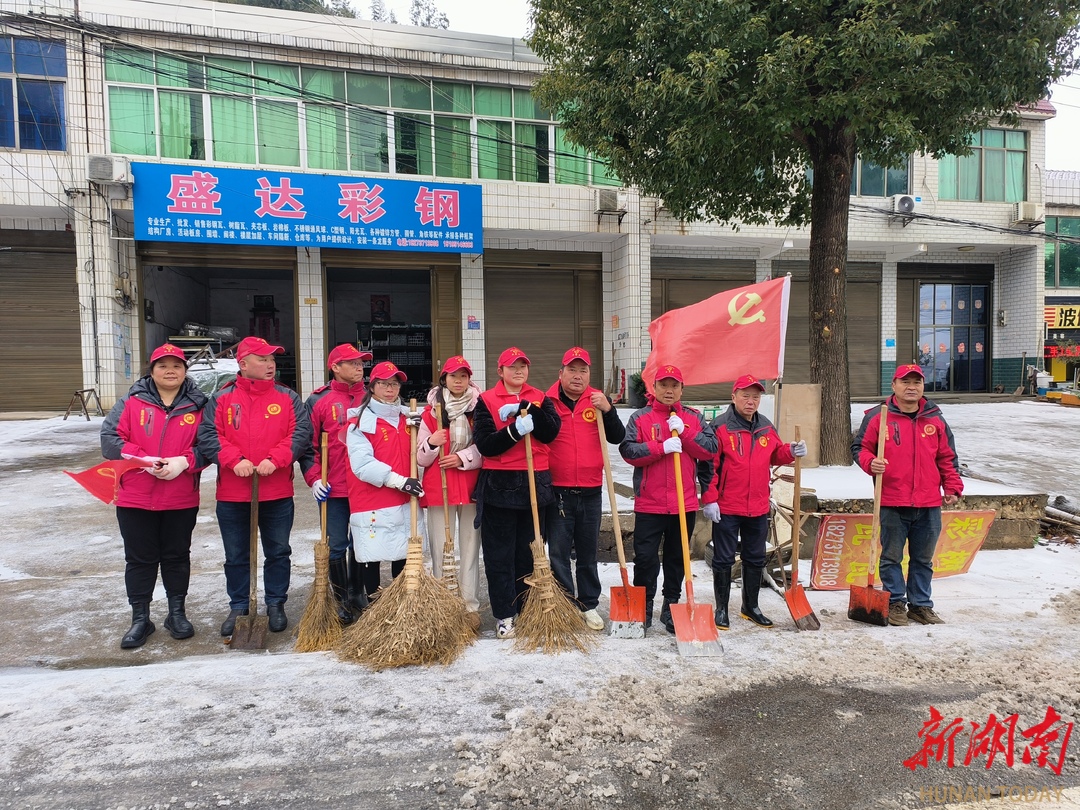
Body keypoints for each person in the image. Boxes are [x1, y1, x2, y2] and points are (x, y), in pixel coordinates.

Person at [197, 336, 312, 636]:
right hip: (233, 492)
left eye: (272, 359)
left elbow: (300, 432)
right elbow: (208, 435)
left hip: (276, 491)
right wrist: (234, 460)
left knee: (278, 551)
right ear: (243, 363)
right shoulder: (222, 398)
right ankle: (239, 605)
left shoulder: (288, 397)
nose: (270, 364)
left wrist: (277, 459)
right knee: (236, 555)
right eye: (262, 359)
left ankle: (276, 602)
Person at [101, 343, 207, 649]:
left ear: (185, 371)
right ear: (152, 370)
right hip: (135, 496)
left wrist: (184, 461)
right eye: (163, 365)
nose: (170, 371)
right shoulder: (131, 402)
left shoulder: (199, 405)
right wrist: (141, 459)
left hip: (180, 496)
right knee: (139, 559)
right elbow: (109, 440)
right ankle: (140, 618)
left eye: (177, 365)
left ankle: (177, 614)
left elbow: (209, 444)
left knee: (177, 556)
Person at [851, 363, 963, 626]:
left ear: (923, 386)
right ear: (894, 385)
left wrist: (952, 486)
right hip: (892, 501)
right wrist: (870, 463)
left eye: (917, 382)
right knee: (891, 557)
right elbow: (859, 448)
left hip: (928, 503)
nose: (911, 387)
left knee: (923, 559)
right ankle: (894, 602)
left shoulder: (935, 419)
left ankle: (920, 605)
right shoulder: (878, 416)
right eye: (905, 382)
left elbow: (947, 457)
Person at [700, 375, 805, 630]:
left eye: (755, 397)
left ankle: (751, 606)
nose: (751, 401)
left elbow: (775, 454)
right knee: (724, 559)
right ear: (733, 397)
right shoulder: (720, 426)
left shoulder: (765, 426)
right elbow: (709, 467)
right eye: (745, 396)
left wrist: (791, 451)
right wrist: (710, 499)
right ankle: (722, 609)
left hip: (757, 505)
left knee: (755, 557)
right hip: (727, 505)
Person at [618, 365, 716, 633]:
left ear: (682, 389)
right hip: (650, 504)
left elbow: (710, 449)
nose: (669, 390)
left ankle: (671, 606)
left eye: (674, 385)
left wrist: (685, 433)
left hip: (683, 503)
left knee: (677, 559)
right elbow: (628, 451)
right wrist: (660, 447)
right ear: (654, 388)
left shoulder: (693, 418)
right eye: (663, 385)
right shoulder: (640, 418)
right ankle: (643, 605)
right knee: (645, 559)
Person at [472, 347, 561, 639]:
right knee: (499, 555)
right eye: (512, 366)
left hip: (536, 483)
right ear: (500, 371)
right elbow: (486, 444)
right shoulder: (486, 400)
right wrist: (514, 431)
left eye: (523, 366)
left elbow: (550, 432)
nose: (518, 371)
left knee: (529, 554)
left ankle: (526, 609)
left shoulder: (540, 397)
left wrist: (528, 408)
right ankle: (504, 614)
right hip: (500, 485)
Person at [544, 347, 626, 631]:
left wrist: (609, 410)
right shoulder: (547, 402)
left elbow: (618, 437)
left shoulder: (597, 401)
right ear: (561, 373)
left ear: (589, 374)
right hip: (558, 491)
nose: (577, 376)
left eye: (583, 370)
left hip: (591, 490)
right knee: (558, 553)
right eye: (572, 370)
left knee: (588, 553)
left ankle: (589, 604)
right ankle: (565, 604)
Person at [301, 343, 373, 625]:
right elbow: (308, 446)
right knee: (337, 543)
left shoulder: (372, 396)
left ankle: (358, 592)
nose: (359, 367)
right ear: (335, 367)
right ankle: (341, 598)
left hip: (367, 485)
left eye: (361, 363)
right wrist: (314, 478)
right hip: (334, 487)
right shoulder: (318, 400)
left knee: (362, 542)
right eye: (352, 363)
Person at [416, 356, 484, 632]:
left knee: (470, 546)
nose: (459, 380)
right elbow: (420, 457)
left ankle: (469, 605)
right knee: (441, 547)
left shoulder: (479, 409)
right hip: (438, 485)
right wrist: (432, 443)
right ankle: (442, 602)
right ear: (444, 379)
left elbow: (486, 446)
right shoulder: (430, 413)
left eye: (464, 376)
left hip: (469, 483)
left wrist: (462, 457)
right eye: (453, 375)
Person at [343, 362, 425, 588]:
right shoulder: (360, 422)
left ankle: (400, 603)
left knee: (404, 555)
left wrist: (422, 430)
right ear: (371, 387)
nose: (390, 389)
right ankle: (373, 603)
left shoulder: (408, 418)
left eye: (395, 384)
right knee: (372, 557)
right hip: (373, 500)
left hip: (404, 498)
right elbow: (362, 465)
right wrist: (399, 481)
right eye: (384, 383)